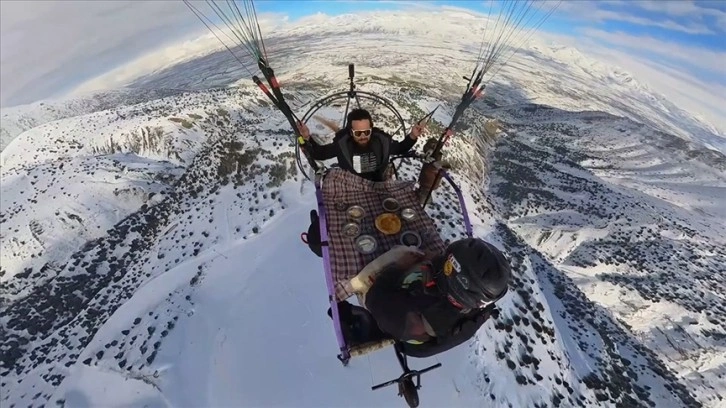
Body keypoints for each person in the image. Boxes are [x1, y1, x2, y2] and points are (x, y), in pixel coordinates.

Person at [343, 237, 511, 358]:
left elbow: (374, 296)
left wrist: (399, 266)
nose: (442, 258)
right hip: (430, 334)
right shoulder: (476, 304)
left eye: (447, 264)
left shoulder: (412, 318)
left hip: (404, 334)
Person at [297, 108, 425, 182]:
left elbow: (401, 148)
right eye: (358, 133)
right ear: (351, 132)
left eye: (366, 132)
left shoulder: (382, 142)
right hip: (352, 184)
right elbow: (319, 154)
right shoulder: (343, 145)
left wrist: (412, 136)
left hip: (377, 182)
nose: (363, 136)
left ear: (371, 129)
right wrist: (307, 138)